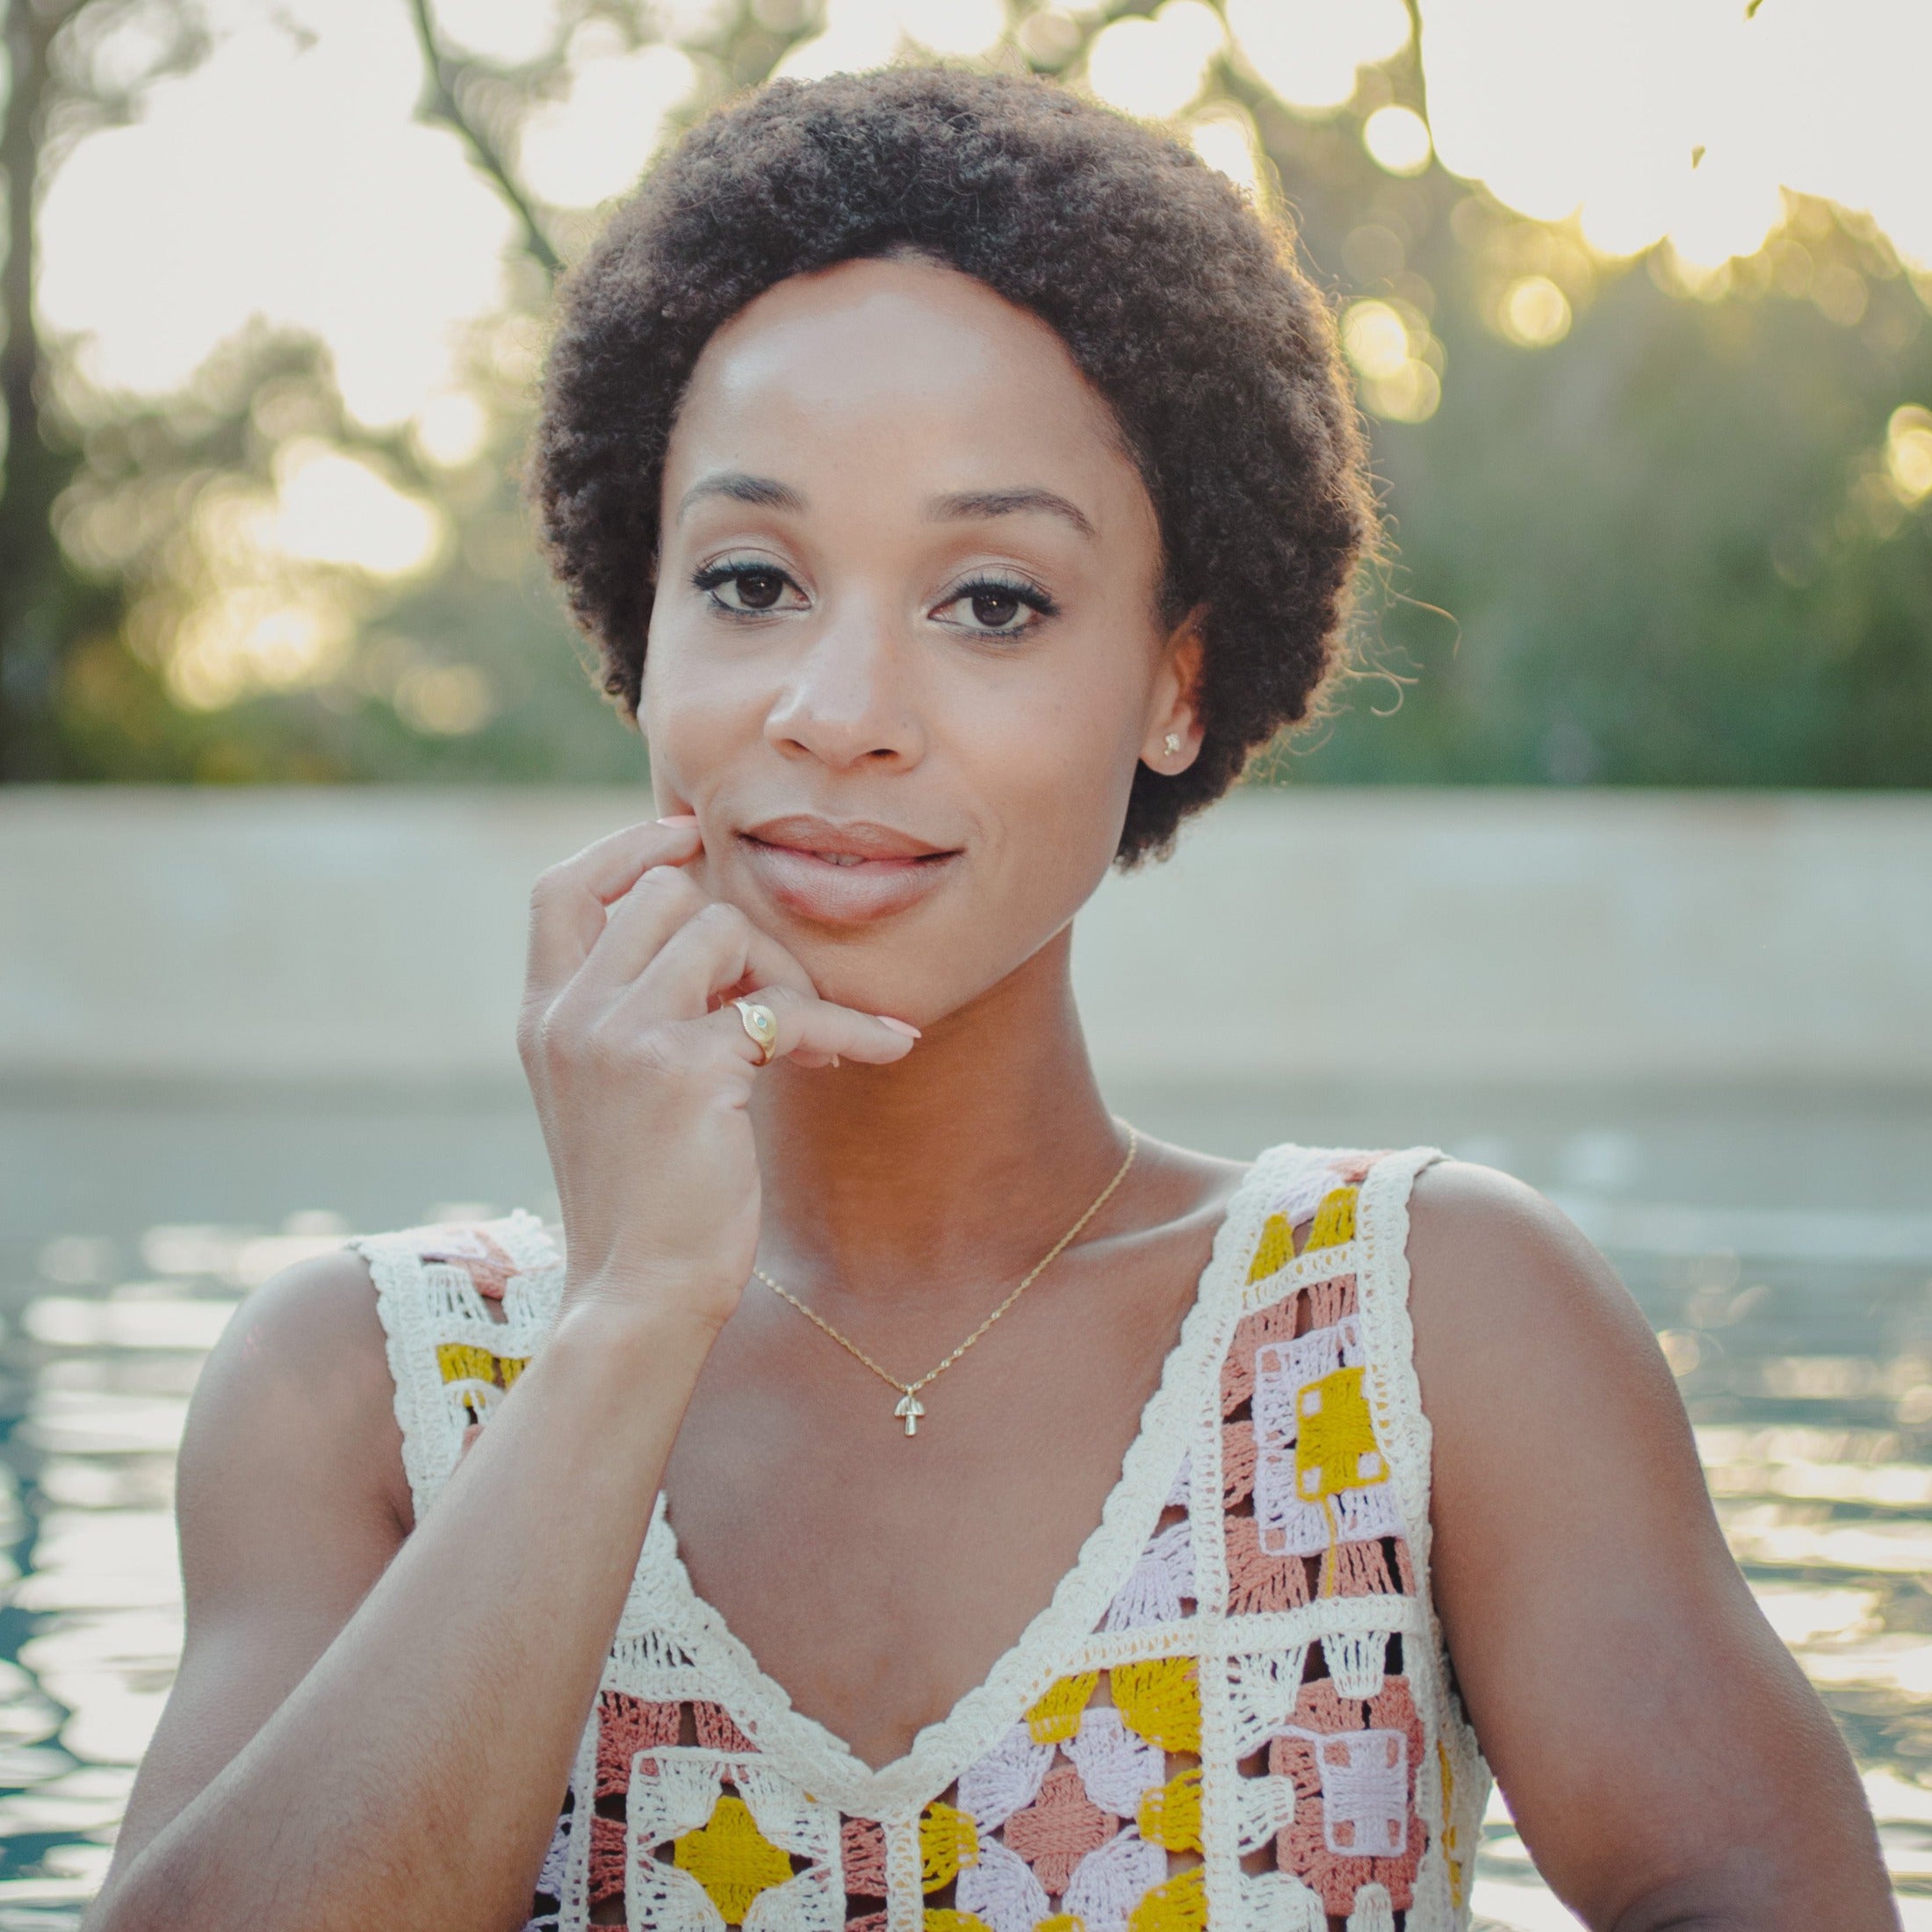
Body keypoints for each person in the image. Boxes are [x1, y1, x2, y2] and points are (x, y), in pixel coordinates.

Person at [85, 67, 1893, 1932]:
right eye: (752, 576)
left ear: (1176, 685)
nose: (839, 706)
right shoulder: (355, 1389)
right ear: (646, 628)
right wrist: (630, 1312)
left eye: (994, 601)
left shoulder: (1428, 1332)